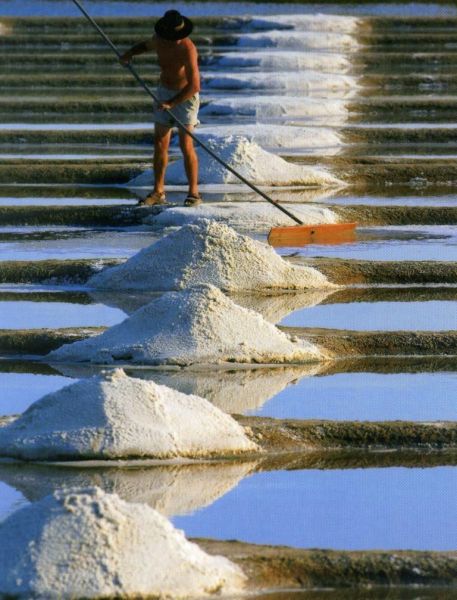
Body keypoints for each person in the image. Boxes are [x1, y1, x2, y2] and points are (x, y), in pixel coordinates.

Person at [120, 10, 201, 206]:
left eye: (176, 37)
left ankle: (193, 193)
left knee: (185, 144)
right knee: (159, 143)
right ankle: (158, 191)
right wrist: (129, 54)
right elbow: (144, 46)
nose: (173, 40)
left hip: (185, 97)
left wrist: (172, 103)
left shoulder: (187, 48)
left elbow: (195, 85)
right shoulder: (159, 39)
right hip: (164, 91)